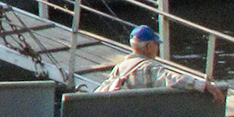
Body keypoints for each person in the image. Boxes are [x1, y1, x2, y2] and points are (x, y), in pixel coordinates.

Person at [96, 25, 225, 101]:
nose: (157, 48)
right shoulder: (150, 67)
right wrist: (204, 85)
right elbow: (173, 80)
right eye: (156, 44)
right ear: (149, 47)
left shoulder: (120, 67)